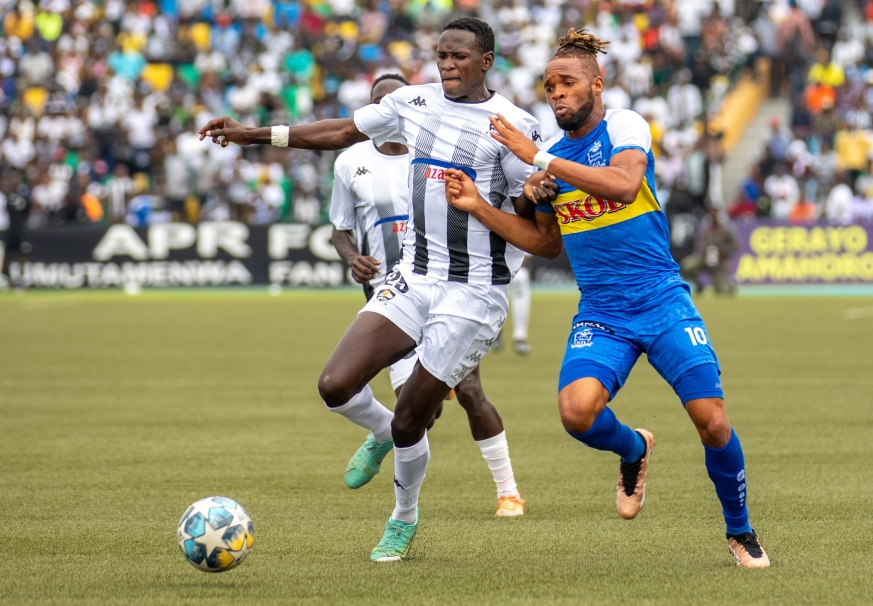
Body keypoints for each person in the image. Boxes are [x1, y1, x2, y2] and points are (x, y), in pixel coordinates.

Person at [200, 17, 553, 562]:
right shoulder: (413, 102)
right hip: (412, 277)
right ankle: (384, 434)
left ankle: (403, 517)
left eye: (459, 56)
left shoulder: (512, 124)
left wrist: (530, 192)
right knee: (335, 385)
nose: (447, 65)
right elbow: (342, 132)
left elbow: (535, 224)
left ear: (487, 61)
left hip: (472, 294)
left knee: (416, 413)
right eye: (441, 55)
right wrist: (251, 134)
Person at [443, 28, 770, 568]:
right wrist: (481, 205)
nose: (557, 94)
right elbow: (545, 244)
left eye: (567, 82)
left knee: (712, 422)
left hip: (661, 299)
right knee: (576, 413)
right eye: (549, 86)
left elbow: (621, 185)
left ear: (597, 84)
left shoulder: (623, 125)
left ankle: (740, 532)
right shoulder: (550, 162)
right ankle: (634, 450)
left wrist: (541, 158)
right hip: (602, 310)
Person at [328, 73, 526, 515]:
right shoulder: (351, 163)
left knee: (471, 391)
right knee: (413, 413)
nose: (389, 110)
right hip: (393, 292)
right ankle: (384, 436)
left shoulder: (433, 145)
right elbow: (340, 228)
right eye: (381, 103)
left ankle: (507, 490)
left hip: (455, 289)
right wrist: (351, 256)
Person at [680, 209, 739, 295]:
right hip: (704, 259)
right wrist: (704, 249)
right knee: (687, 265)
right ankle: (699, 286)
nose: (713, 217)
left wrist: (723, 251)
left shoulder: (726, 231)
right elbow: (699, 243)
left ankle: (730, 286)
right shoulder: (706, 230)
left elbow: (734, 246)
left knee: (721, 292)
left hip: (718, 263)